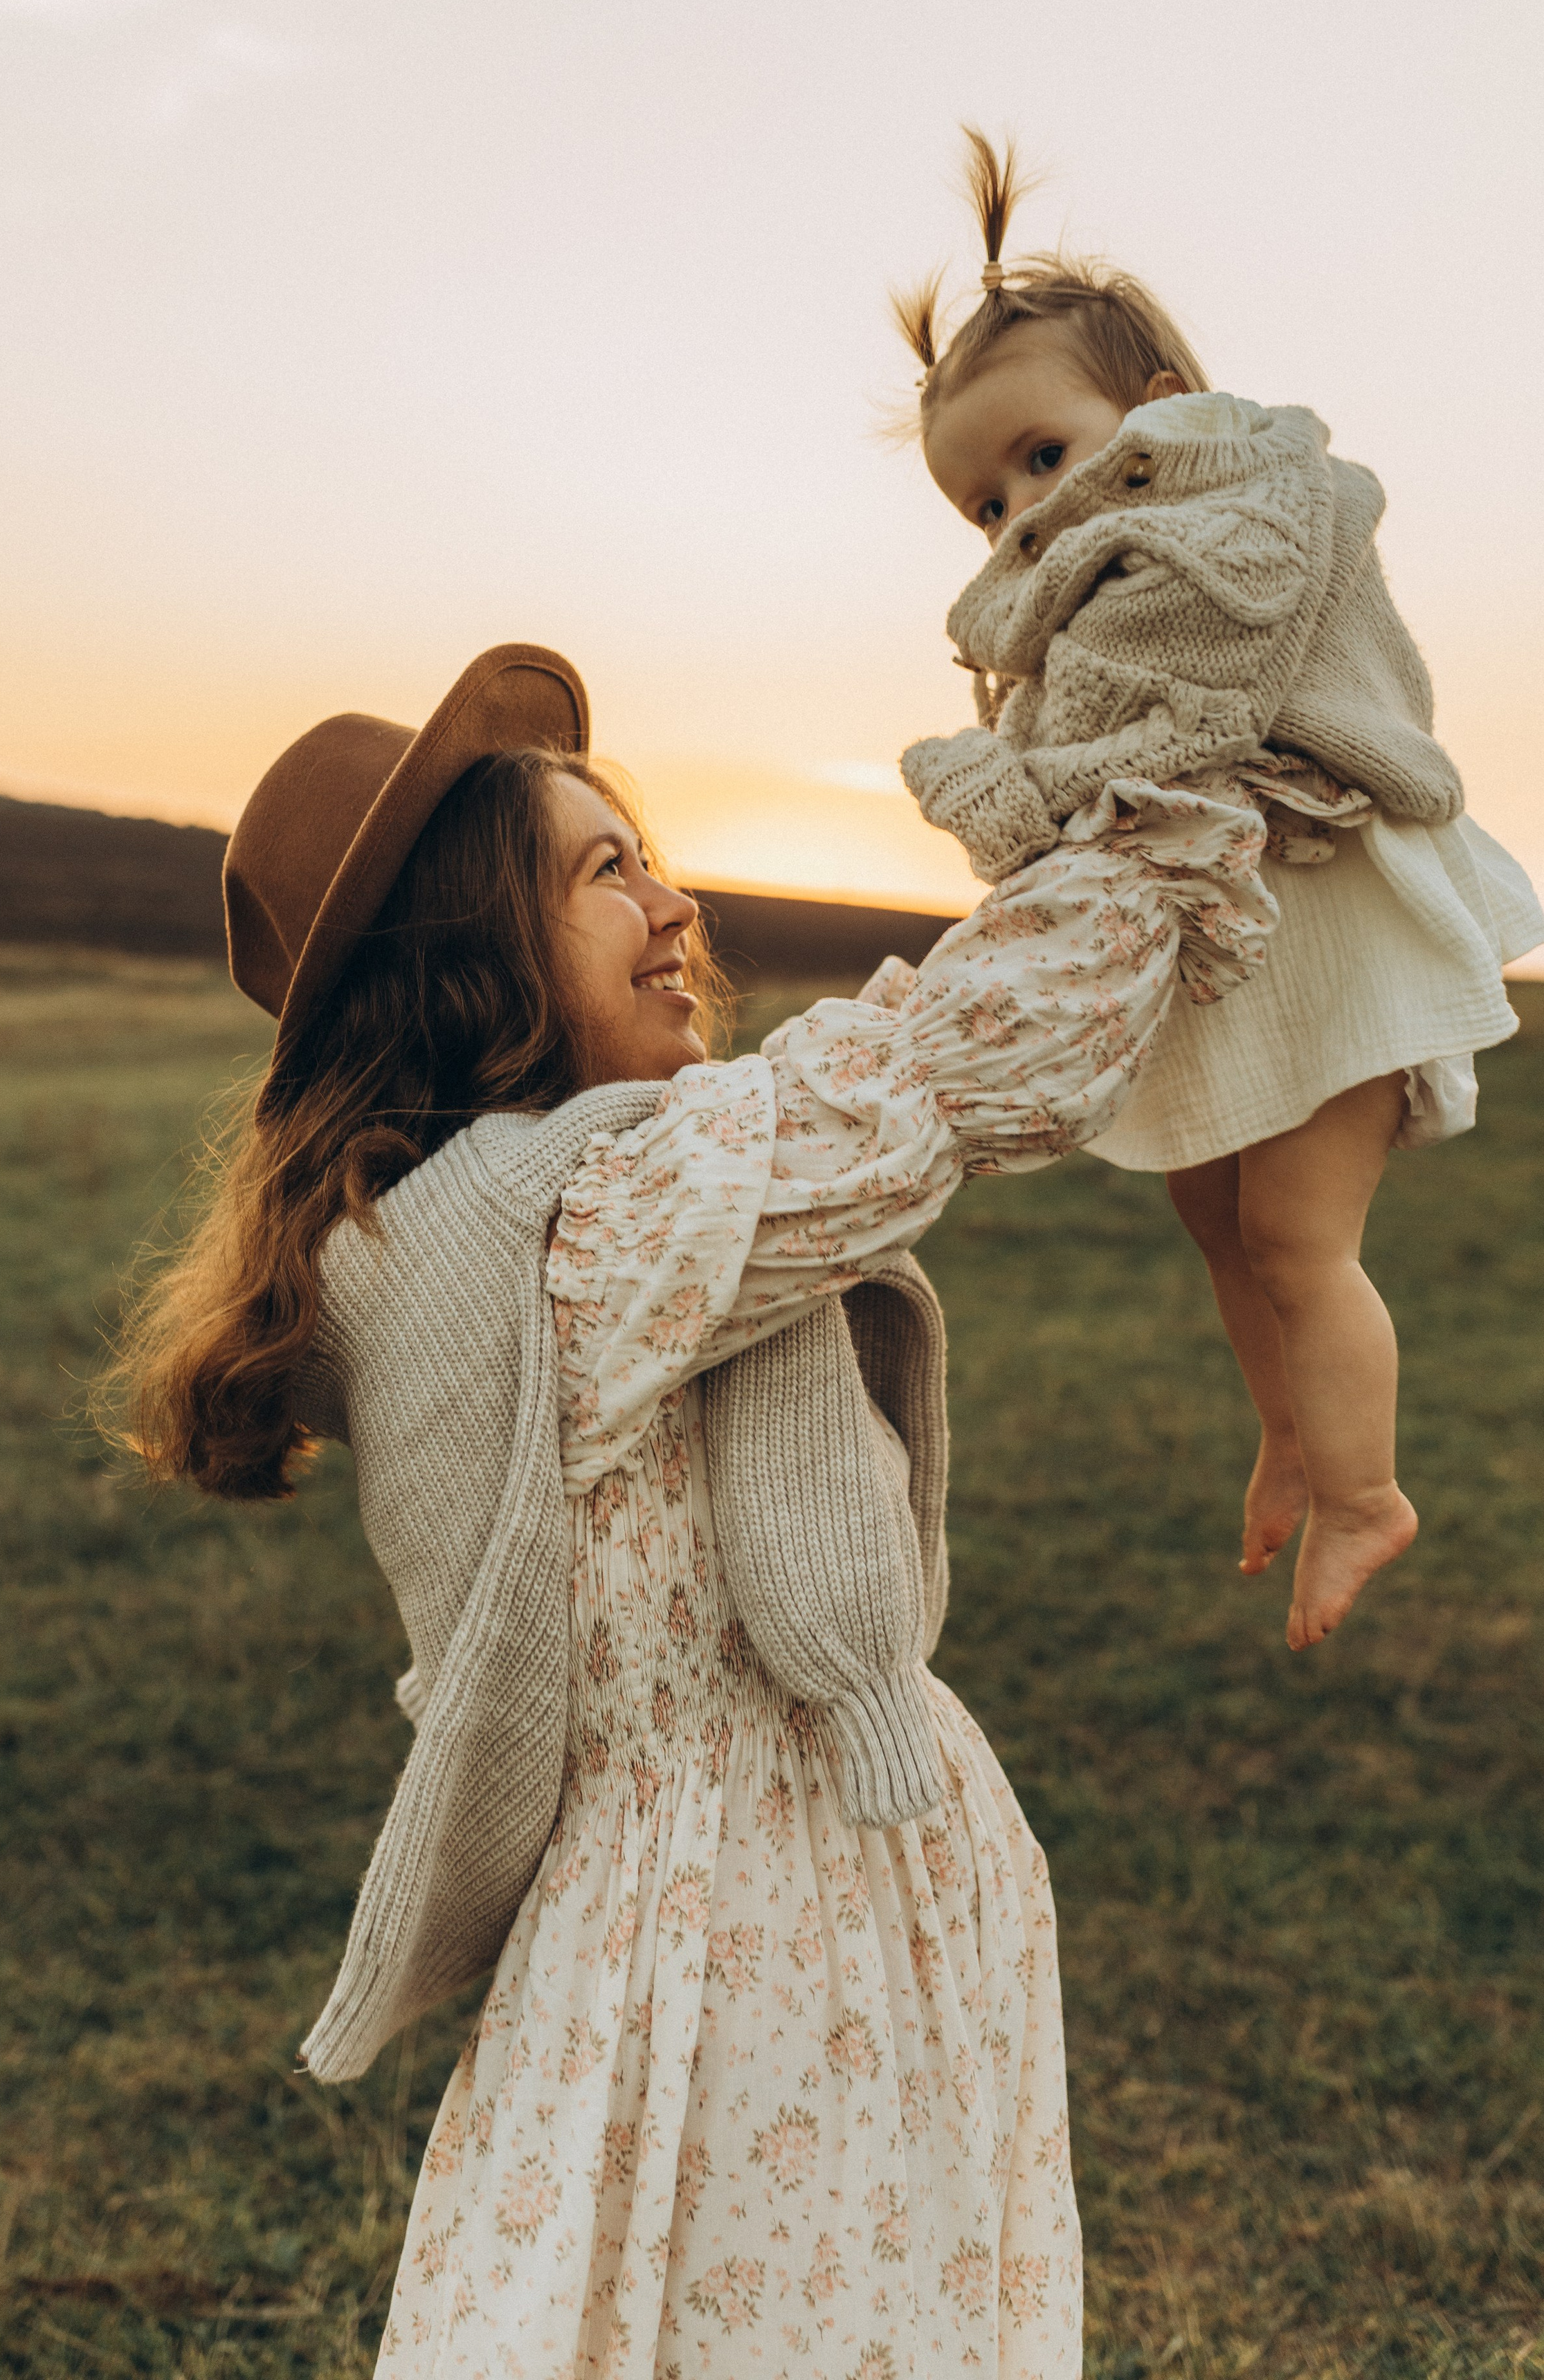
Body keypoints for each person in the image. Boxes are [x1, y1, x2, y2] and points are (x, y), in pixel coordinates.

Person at [116, 640, 1276, 2377]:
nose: (673, 905)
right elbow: (980, 1067)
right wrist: (1164, 786)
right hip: (767, 1919)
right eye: (602, 873)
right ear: (469, 949)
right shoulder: (600, 1218)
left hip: (661, 1911)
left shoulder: (440, 1236)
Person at [893, 132, 1544, 1654]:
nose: (1018, 518)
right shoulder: (1078, 589)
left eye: (1041, 458)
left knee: (1297, 1239)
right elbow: (1085, 749)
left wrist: (997, 783)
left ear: (1159, 413)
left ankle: (1365, 1488)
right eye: (984, 506)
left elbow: (1151, 723)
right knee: (1209, 1209)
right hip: (1219, 936)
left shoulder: (1245, 517)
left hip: (1323, 925)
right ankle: (1292, 1430)